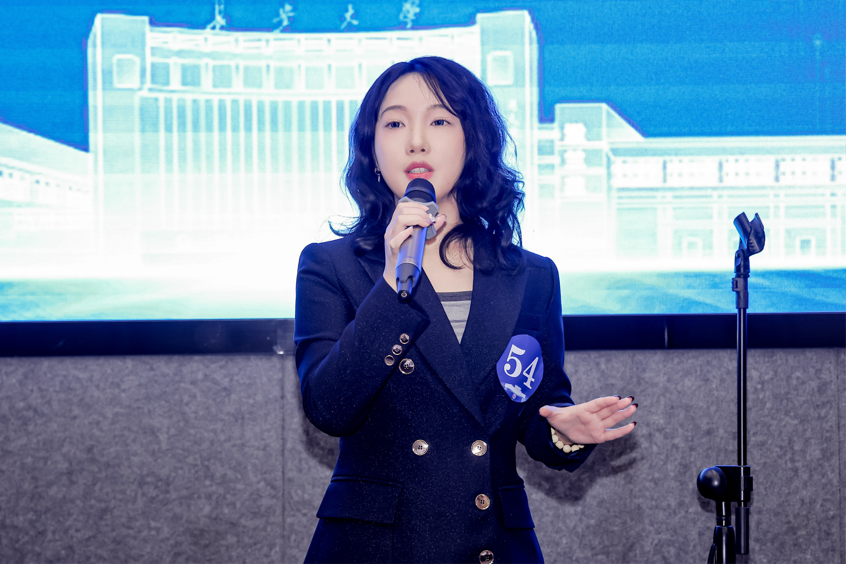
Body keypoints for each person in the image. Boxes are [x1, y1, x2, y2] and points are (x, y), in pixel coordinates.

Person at [294, 56, 637, 563]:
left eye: (439, 121)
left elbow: (533, 406)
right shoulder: (331, 265)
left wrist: (563, 431)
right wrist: (391, 284)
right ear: (372, 151)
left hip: (489, 542)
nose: (416, 141)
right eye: (394, 124)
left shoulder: (531, 276)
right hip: (376, 547)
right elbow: (328, 406)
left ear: (472, 141)